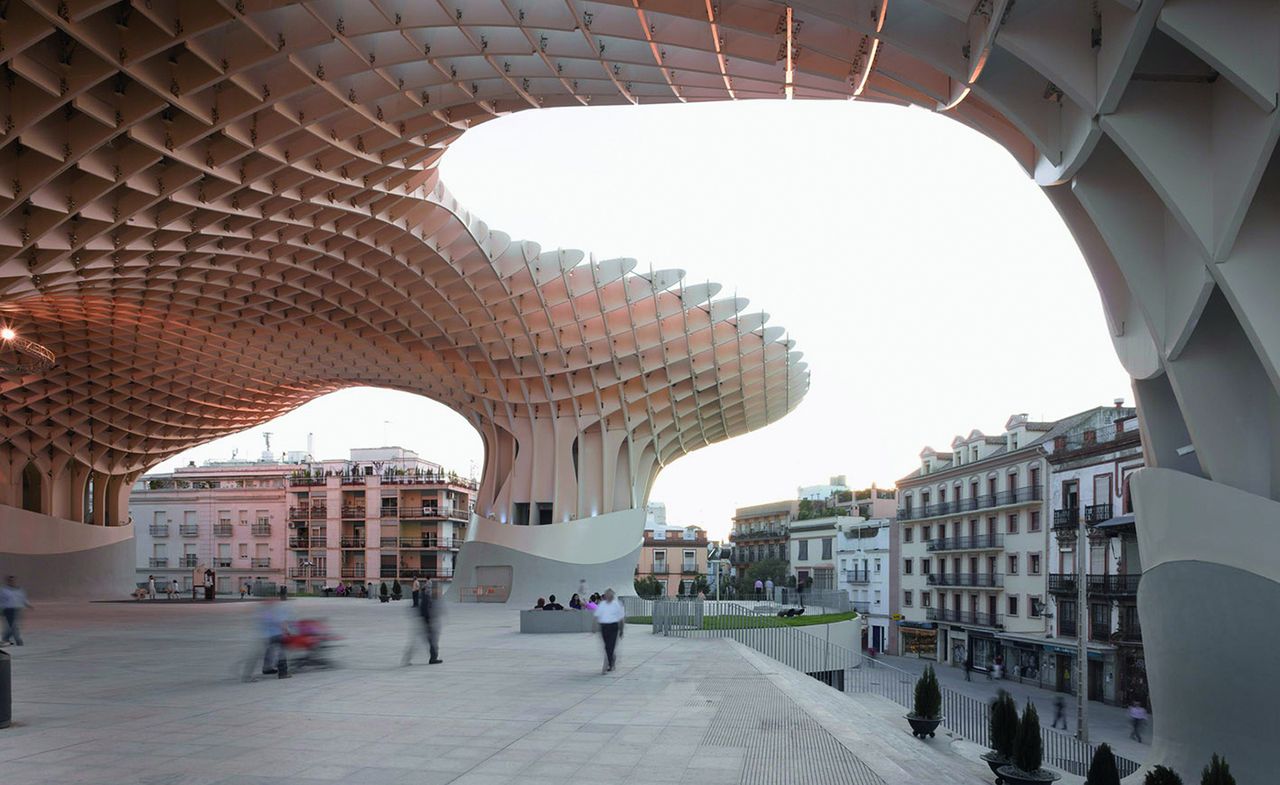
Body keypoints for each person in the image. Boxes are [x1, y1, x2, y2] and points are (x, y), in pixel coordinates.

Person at [402, 579, 442, 665]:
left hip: (423, 622)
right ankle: (433, 659)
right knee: (431, 642)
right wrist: (429, 620)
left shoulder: (426, 597)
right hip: (426, 623)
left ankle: (408, 658)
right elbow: (425, 610)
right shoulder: (426, 598)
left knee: (419, 642)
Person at [251, 595, 291, 679]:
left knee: (269, 651)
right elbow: (280, 622)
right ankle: (283, 673)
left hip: (268, 635)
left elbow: (263, 622)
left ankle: (267, 669)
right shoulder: (274, 610)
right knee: (281, 653)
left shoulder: (265, 611)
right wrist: (286, 631)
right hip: (277, 634)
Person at [592, 588, 626, 674]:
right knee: (607, 646)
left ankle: (608, 664)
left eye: (610, 595)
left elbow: (621, 619)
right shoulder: (602, 604)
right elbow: (596, 616)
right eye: (607, 595)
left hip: (613, 627)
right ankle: (612, 660)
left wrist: (621, 630)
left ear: (612, 596)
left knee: (610, 646)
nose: (608, 597)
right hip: (604, 627)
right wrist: (594, 627)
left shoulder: (617, 604)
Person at [1, 576, 30, 646]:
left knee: (14, 625)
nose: (12, 582)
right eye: (10, 581)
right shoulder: (4, 590)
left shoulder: (19, 590)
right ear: (8, 581)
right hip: (8, 610)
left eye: (13, 580)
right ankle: (18, 641)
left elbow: (23, 598)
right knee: (13, 626)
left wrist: (27, 605)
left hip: (17, 610)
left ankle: (5, 639)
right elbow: (1, 600)